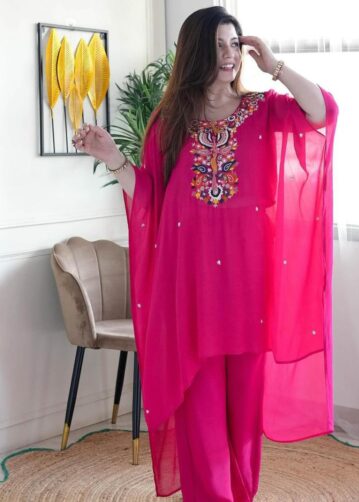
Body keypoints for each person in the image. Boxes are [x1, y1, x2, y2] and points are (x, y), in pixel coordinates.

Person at [72, 6, 339, 501]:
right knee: (199, 408)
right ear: (196, 51)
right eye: (217, 45)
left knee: (243, 412)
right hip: (191, 288)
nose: (229, 54)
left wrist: (275, 65)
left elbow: (322, 111)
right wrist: (112, 158)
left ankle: (241, 493)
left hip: (249, 286)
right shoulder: (170, 122)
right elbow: (150, 197)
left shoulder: (263, 109)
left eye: (234, 43)